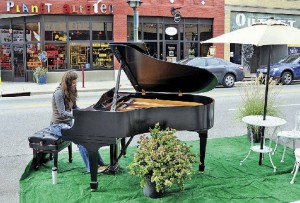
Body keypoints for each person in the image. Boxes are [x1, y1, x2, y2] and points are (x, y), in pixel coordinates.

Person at [49, 70, 108, 173]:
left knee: (88, 137)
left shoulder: (71, 91)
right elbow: (62, 113)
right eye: (73, 82)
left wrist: (85, 111)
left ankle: (100, 163)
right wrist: (78, 116)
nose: (75, 84)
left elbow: (75, 107)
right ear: (67, 82)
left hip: (68, 124)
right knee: (81, 141)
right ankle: (91, 168)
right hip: (57, 126)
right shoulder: (59, 93)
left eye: (75, 82)